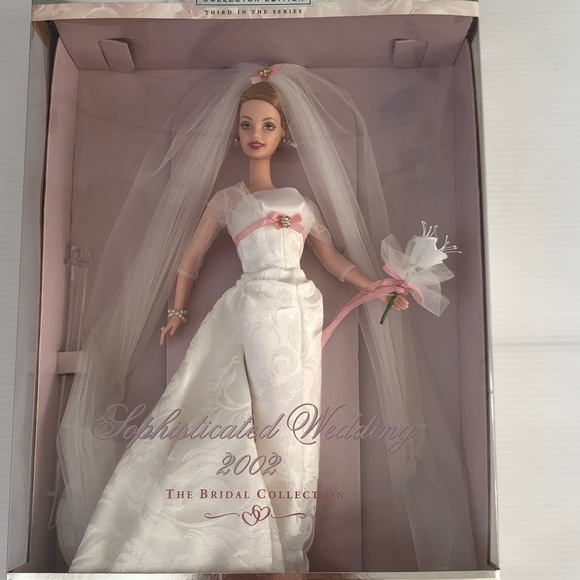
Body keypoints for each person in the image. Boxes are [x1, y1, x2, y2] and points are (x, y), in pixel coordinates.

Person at [58, 63, 476, 573]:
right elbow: (188, 260)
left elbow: (332, 258)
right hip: (252, 306)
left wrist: (377, 285)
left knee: (291, 421)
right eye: (247, 125)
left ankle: (286, 535)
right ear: (236, 133)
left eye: (268, 125)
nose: (256, 134)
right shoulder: (228, 199)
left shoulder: (302, 204)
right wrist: (176, 310)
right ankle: (235, 533)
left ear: (284, 134)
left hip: (298, 310)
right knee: (233, 411)